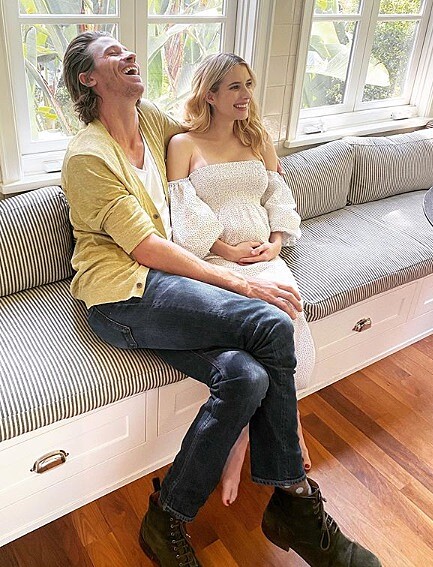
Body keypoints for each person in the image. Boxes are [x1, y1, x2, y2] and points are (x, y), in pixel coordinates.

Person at [61, 31, 381, 567]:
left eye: (126, 48)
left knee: (247, 377)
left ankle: (166, 518)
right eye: (113, 53)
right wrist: (240, 280)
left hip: (165, 286)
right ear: (89, 79)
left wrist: (259, 160)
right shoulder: (88, 156)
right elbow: (145, 247)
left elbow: (207, 142)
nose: (129, 54)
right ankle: (294, 499)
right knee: (271, 321)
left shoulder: (151, 122)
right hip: (122, 295)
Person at [167, 52, 315, 507]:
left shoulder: (258, 138)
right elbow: (181, 212)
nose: (246, 94)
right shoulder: (183, 145)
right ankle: (286, 434)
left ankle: (241, 445)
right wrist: (226, 251)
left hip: (265, 258)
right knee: (262, 332)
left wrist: (275, 243)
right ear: (210, 94)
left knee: (286, 316)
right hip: (217, 263)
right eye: (234, 86)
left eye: (248, 84)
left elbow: (278, 197)